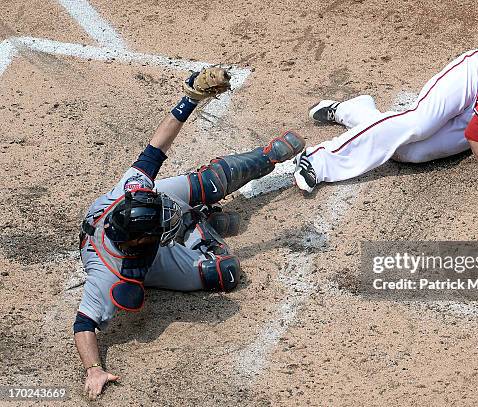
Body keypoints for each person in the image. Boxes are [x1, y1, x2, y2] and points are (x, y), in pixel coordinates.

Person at [74, 67, 305, 399]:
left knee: (208, 181)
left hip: (140, 225)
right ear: (140, 240)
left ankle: (265, 157)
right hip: (149, 262)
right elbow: (84, 325)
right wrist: (93, 369)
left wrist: (190, 98)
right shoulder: (109, 277)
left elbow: (156, 148)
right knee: (224, 273)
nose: (170, 217)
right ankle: (203, 224)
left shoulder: (132, 191)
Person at [294, 48, 478, 214]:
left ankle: (354, 111)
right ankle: (319, 161)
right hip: (477, 77)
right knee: (418, 123)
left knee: (410, 153)